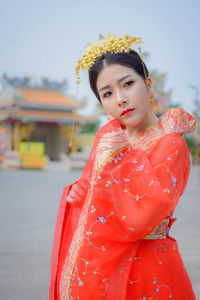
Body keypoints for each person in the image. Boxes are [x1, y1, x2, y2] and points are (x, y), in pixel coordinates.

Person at [49, 34, 196, 300]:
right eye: (107, 93)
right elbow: (89, 192)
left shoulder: (171, 143)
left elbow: (141, 219)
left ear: (148, 84)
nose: (120, 99)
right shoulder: (110, 139)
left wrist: (106, 170)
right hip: (108, 270)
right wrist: (76, 195)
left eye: (127, 84)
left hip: (151, 270)